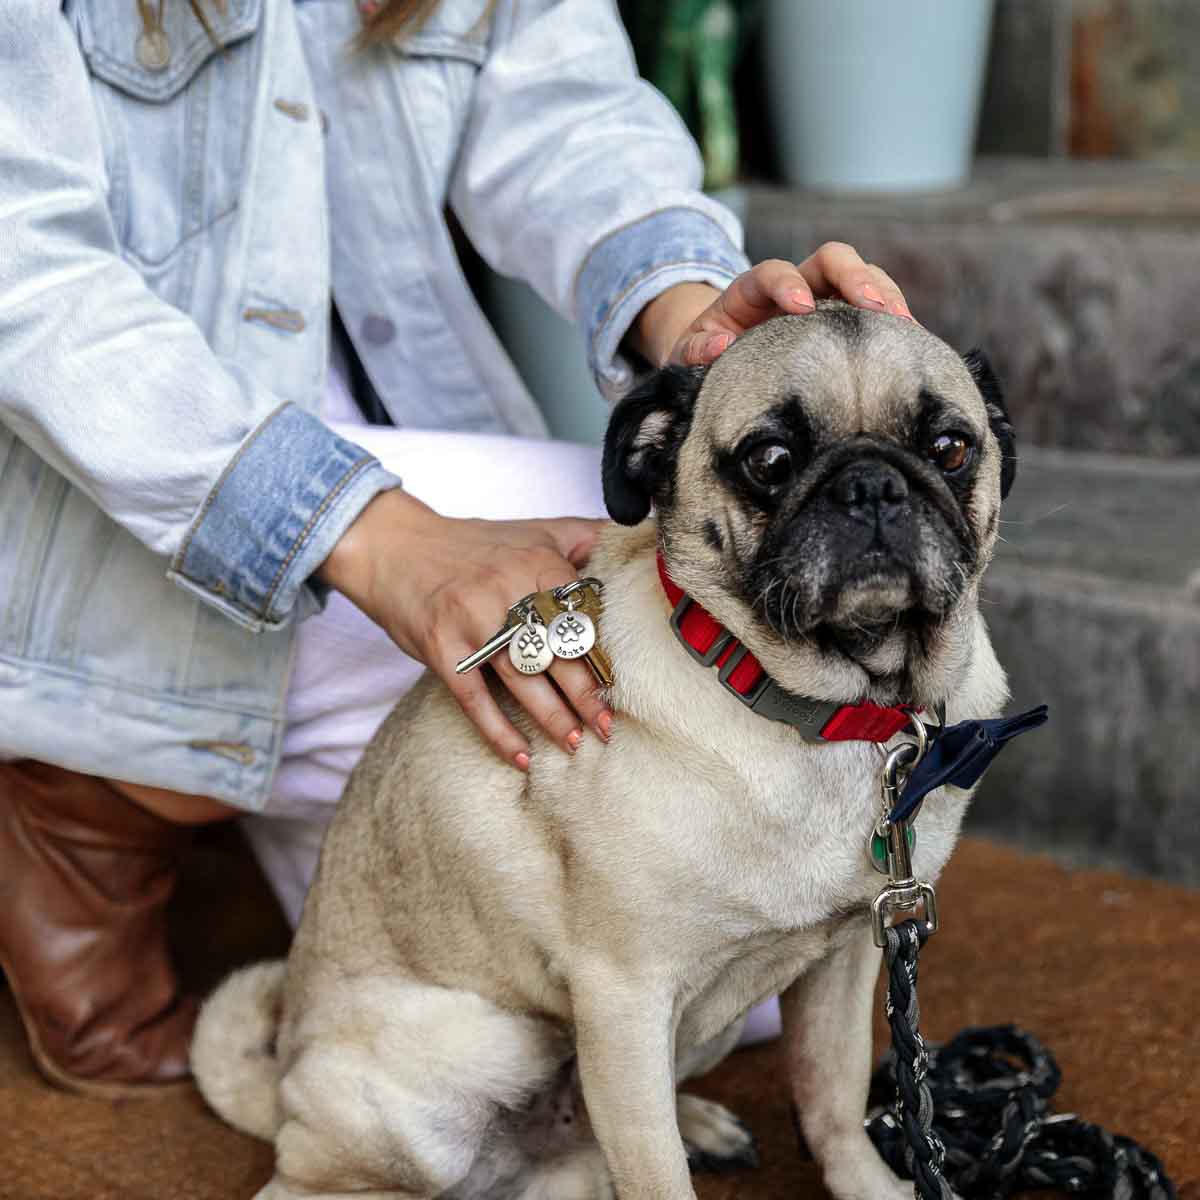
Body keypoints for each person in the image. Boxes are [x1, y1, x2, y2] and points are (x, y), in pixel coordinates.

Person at [0, 0, 914, 1098]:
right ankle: (81, 788)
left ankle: (249, 774)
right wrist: (377, 539)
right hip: (79, 491)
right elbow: (27, 281)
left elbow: (566, 114)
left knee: (724, 992)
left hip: (375, 435)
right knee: (629, 639)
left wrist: (707, 335)